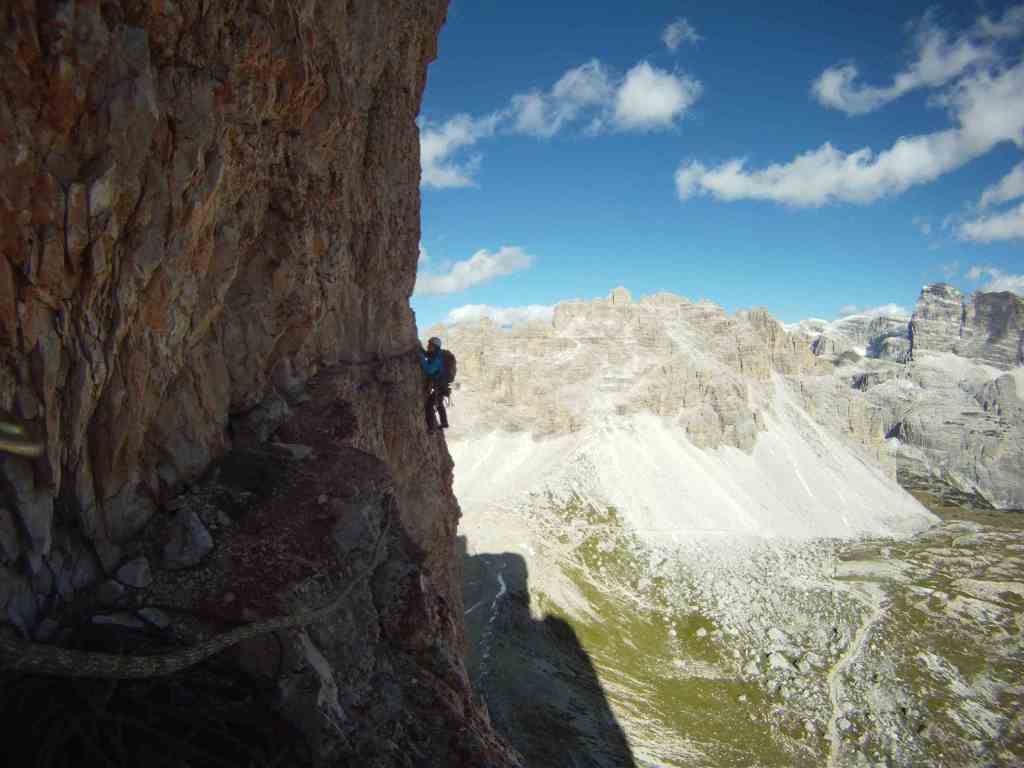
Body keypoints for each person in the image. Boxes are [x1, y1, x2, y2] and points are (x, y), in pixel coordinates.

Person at [420, 336, 449, 432]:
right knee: (439, 403)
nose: (428, 346)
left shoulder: (437, 359)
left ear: (434, 347)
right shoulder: (436, 354)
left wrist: (421, 359)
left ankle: (431, 428)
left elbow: (429, 370)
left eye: (430, 345)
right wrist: (420, 350)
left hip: (439, 386)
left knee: (429, 405)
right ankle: (444, 423)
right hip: (441, 385)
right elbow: (427, 354)